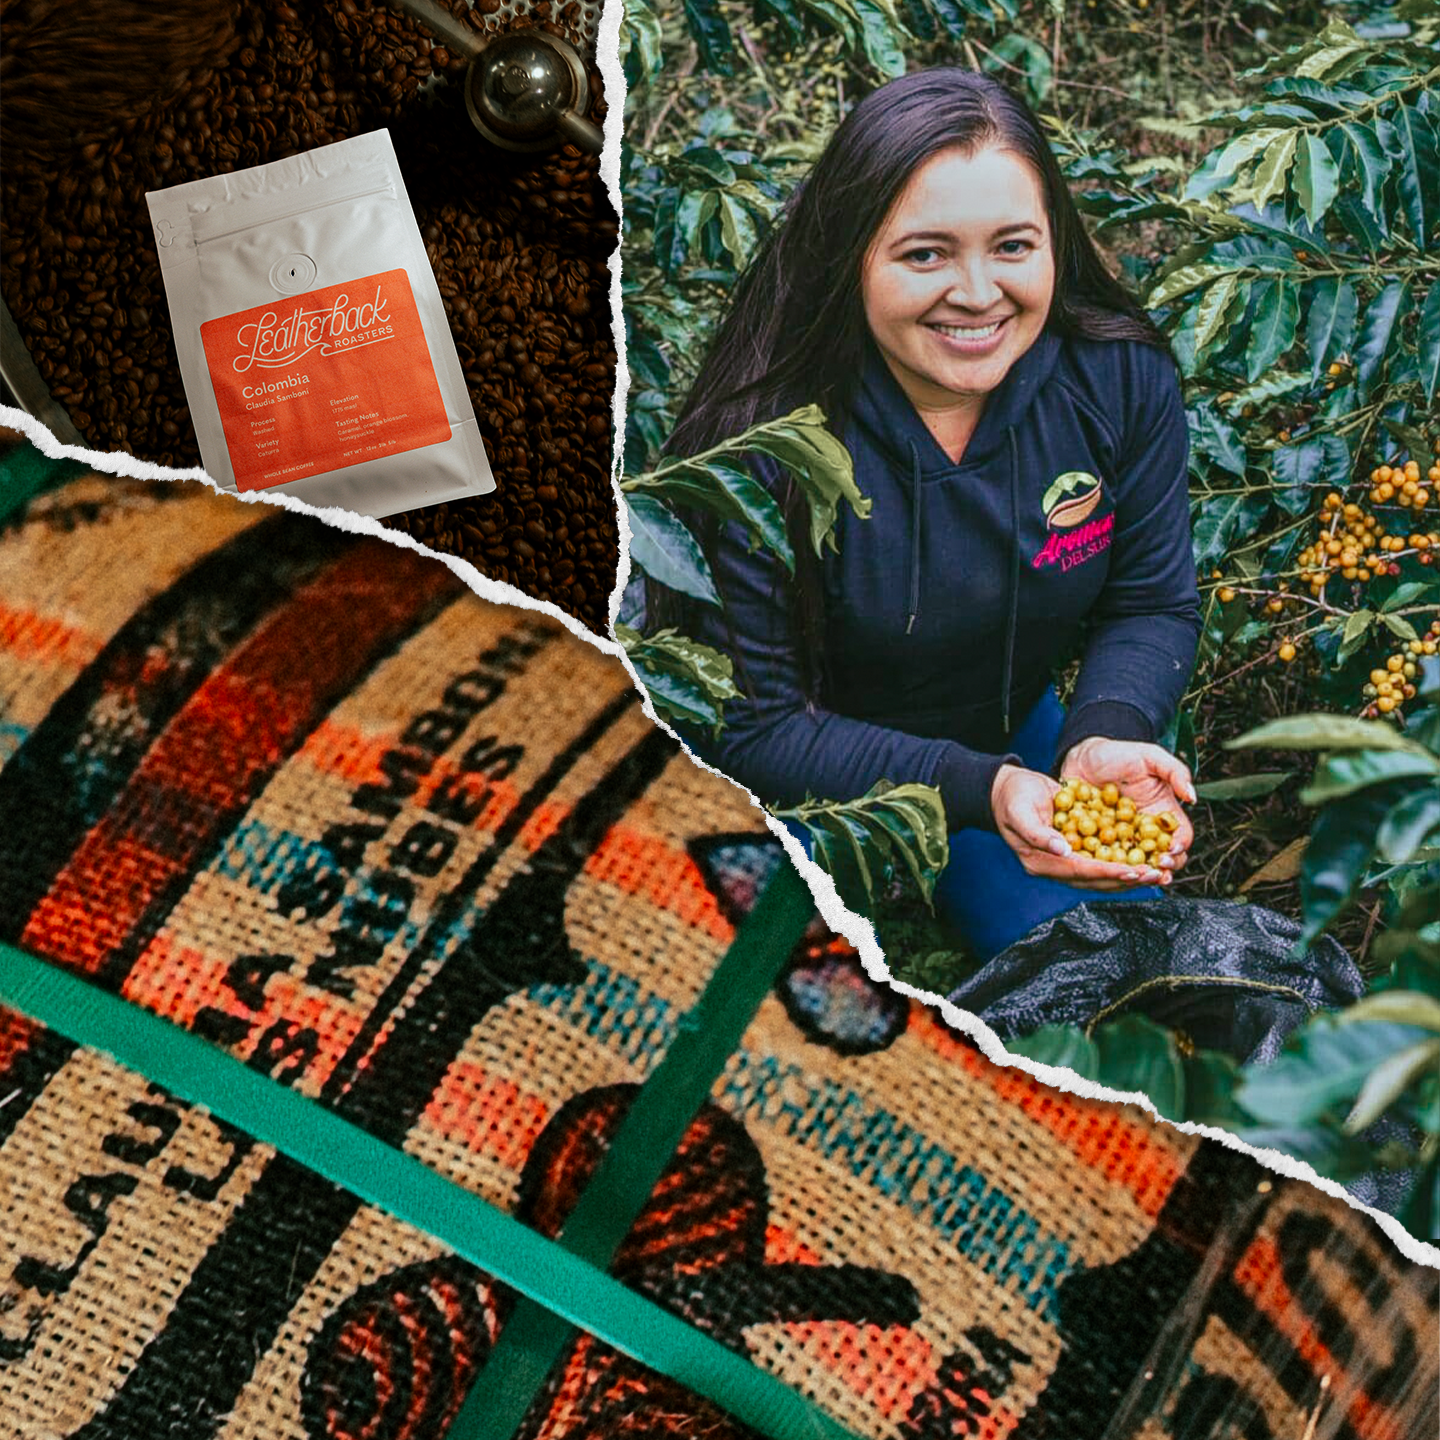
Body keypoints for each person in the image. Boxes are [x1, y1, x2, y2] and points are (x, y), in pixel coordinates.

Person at [656, 67, 1201, 963]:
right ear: (850, 257)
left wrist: (1106, 728)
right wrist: (981, 790)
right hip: (794, 771)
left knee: (1081, 966)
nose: (980, 293)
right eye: (926, 254)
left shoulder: (1115, 379)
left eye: (1014, 247)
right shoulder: (760, 449)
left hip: (1001, 744)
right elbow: (755, 726)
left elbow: (1150, 601)